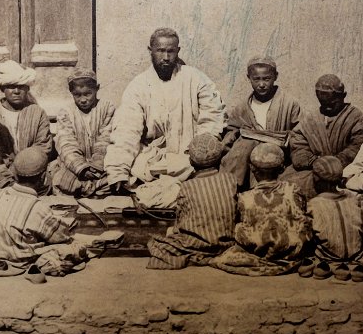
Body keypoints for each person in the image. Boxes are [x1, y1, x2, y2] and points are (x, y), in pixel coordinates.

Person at [104, 28, 226, 193]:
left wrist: (200, 151)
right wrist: (118, 171)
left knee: (205, 169)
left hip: (189, 158)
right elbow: (126, 131)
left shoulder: (195, 78)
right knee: (139, 167)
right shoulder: (138, 86)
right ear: (150, 51)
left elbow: (212, 116)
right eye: (160, 51)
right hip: (153, 159)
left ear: (178, 51)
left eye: (171, 51)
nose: (166, 57)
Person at [0, 147, 94, 277]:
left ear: (15, 174)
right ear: (43, 177)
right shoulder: (36, 206)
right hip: (21, 259)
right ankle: (41, 266)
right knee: (76, 247)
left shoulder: (3, 195)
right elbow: (60, 236)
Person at [211, 143, 312, 276]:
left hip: (260, 251)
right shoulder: (294, 190)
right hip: (292, 252)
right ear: (282, 168)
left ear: (252, 169)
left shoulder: (245, 198)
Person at [147, 134, 237, 270]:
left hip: (196, 245)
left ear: (191, 161)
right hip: (227, 244)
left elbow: (181, 223)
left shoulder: (187, 186)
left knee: (156, 242)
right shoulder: (231, 180)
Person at [284, 74, 363, 199]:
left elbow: (358, 146)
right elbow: (298, 146)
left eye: (332, 102)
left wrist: (333, 165)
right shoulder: (311, 118)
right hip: (314, 170)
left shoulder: (355, 117)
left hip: (345, 170)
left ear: (343, 96)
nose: (327, 107)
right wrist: (318, 163)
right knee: (286, 183)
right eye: (323, 103)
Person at [220, 56, 301, 190]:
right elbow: (230, 133)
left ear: (275, 76)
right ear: (249, 78)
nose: (261, 84)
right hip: (248, 166)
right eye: (256, 79)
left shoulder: (289, 104)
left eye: (266, 79)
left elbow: (299, 134)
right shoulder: (242, 108)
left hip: (278, 165)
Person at [0, 60, 53, 194]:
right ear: (2, 88)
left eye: (21, 86)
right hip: (3, 170)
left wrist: (27, 167)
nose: (16, 91)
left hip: (33, 171)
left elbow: (43, 145)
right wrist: (10, 170)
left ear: (28, 88)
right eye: (11, 86)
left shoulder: (37, 112)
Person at [50, 68, 115, 197]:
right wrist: (81, 167)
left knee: (116, 178)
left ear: (97, 89)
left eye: (88, 94)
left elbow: (107, 138)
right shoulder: (66, 112)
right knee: (61, 181)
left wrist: (97, 165)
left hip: (101, 164)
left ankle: (89, 189)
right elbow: (66, 143)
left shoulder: (107, 108)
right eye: (77, 95)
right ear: (71, 93)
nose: (83, 99)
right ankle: (91, 189)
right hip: (75, 166)